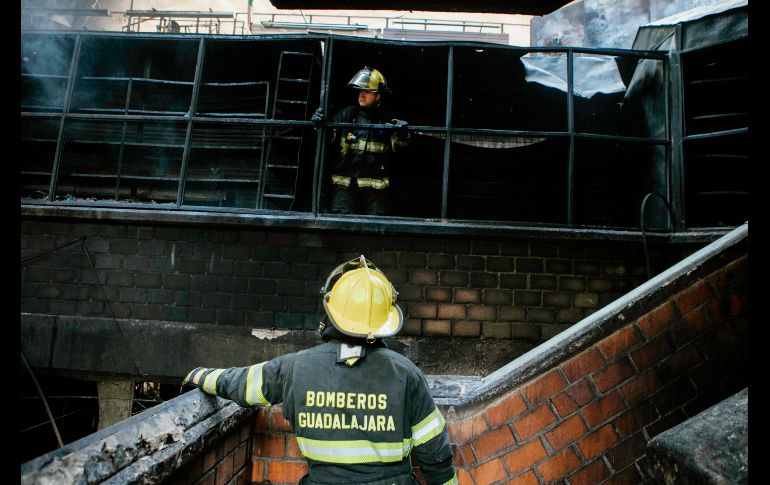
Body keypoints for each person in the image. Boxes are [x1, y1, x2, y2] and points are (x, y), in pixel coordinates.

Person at [182, 255, 458, 485]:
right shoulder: (406, 374)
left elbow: (242, 384)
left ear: (330, 312)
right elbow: (435, 454)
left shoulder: (295, 368)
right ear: (385, 321)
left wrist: (199, 376)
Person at [312, 67, 410, 215]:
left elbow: (399, 147)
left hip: (375, 192)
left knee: (375, 229)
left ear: (378, 96)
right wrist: (320, 125)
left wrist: (402, 134)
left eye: (367, 92)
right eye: (360, 91)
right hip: (344, 188)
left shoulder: (387, 119)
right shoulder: (346, 114)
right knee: (342, 226)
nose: (361, 95)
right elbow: (327, 139)